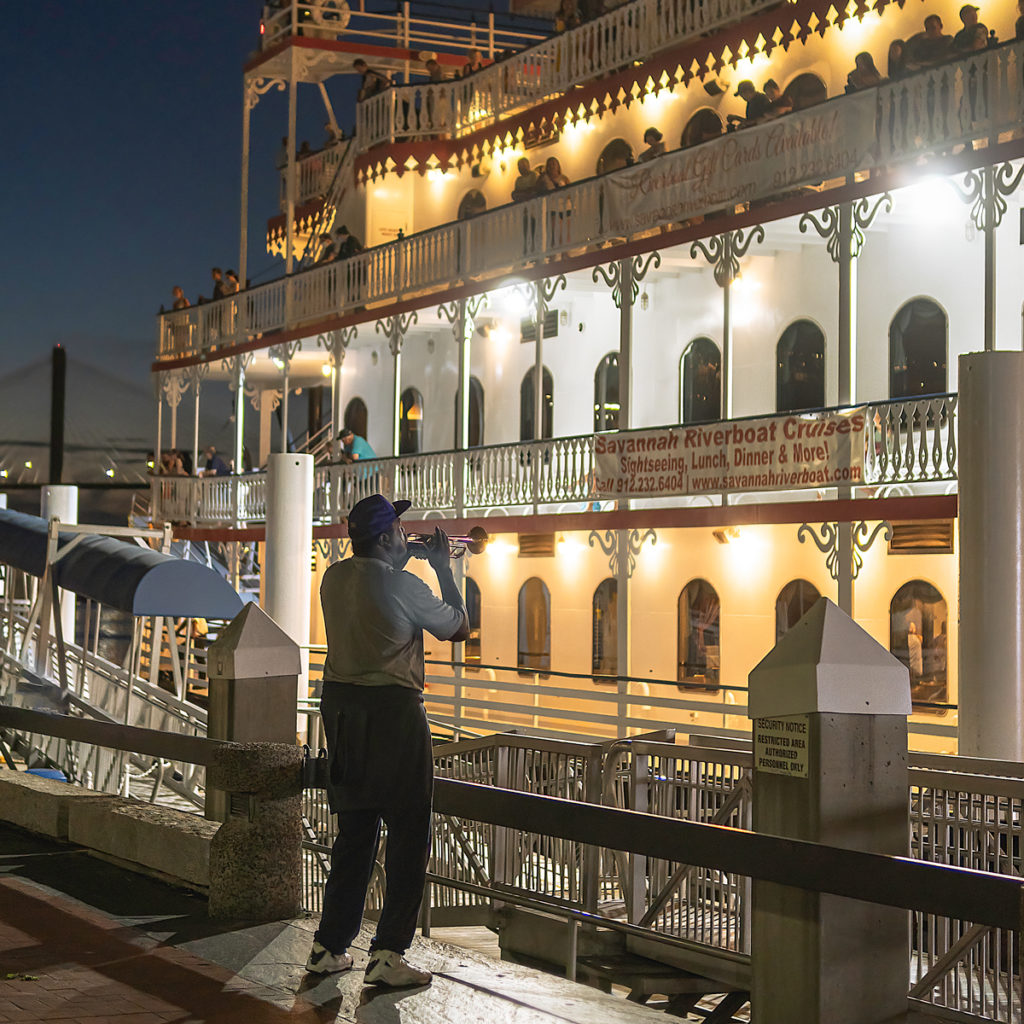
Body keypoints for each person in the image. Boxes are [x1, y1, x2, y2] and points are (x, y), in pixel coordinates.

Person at [305, 496, 469, 985]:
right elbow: (459, 627)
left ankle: (329, 946)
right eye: (398, 528)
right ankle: (388, 954)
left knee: (355, 833)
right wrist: (444, 569)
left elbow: (375, 583)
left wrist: (404, 557)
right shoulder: (405, 585)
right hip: (393, 714)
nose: (406, 534)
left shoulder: (333, 578)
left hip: (342, 712)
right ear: (383, 537)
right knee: (408, 833)